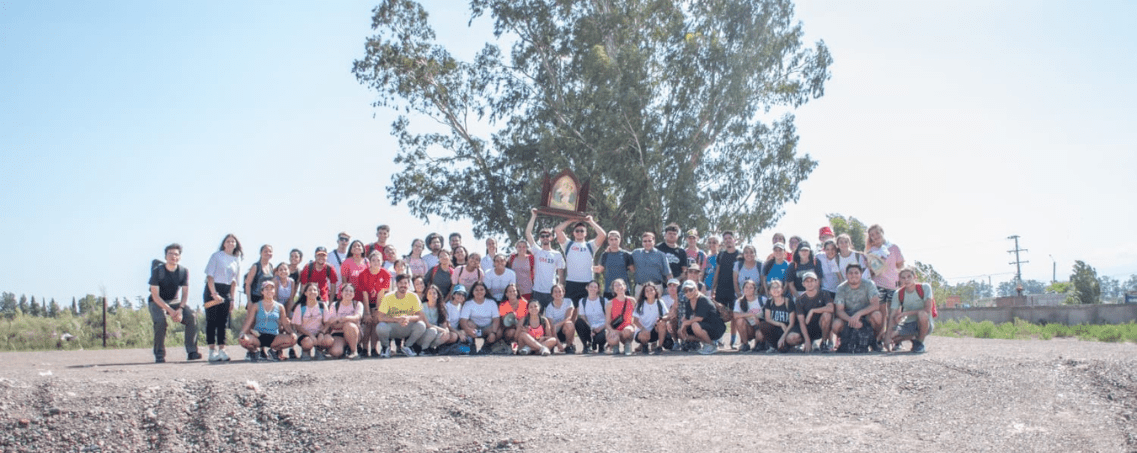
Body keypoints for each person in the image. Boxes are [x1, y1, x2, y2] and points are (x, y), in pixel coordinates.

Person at [148, 244, 200, 363]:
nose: (173, 256)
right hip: (157, 301)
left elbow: (185, 293)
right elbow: (155, 295)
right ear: (166, 256)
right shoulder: (157, 271)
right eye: (170, 254)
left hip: (175, 301)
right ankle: (159, 354)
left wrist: (180, 309)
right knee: (160, 321)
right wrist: (170, 311)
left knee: (191, 316)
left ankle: (192, 352)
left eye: (176, 254)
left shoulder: (183, 271)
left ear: (180, 257)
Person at [375, 273, 434, 357]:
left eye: (405, 283)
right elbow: (380, 317)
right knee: (380, 327)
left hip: (407, 325)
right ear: (396, 284)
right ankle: (385, 347)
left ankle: (407, 346)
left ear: (409, 285)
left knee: (421, 325)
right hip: (393, 327)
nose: (403, 285)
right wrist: (397, 319)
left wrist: (408, 318)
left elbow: (420, 316)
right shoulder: (388, 297)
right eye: (401, 283)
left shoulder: (413, 296)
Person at [203, 234, 241, 362]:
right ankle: (211, 350)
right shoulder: (216, 256)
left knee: (223, 322)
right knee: (211, 321)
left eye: (233, 241)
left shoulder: (236, 259)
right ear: (224, 243)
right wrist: (214, 294)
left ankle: (222, 349)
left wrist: (232, 299)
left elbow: (234, 281)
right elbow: (210, 276)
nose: (230, 243)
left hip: (227, 291)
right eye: (228, 241)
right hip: (213, 289)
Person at [237, 280, 296, 362]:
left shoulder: (280, 306)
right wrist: (242, 332)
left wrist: (292, 333)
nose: (269, 291)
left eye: (271, 289)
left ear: (274, 291)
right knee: (242, 339)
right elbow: (249, 321)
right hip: (258, 336)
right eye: (266, 289)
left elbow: (285, 324)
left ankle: (273, 351)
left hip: (274, 337)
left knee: (293, 339)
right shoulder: (256, 305)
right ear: (262, 292)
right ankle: (254, 352)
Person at [865, 224, 904, 346]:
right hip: (878, 284)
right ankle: (880, 339)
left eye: (877, 233)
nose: (875, 236)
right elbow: (871, 270)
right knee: (882, 314)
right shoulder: (871, 252)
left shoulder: (893, 248)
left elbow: (900, 265)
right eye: (872, 235)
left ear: (882, 232)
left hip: (893, 284)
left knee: (895, 313)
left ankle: (896, 340)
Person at [831, 262, 883, 352]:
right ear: (846, 274)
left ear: (861, 274)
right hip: (848, 317)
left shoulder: (869, 284)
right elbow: (839, 311)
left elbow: (875, 305)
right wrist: (851, 319)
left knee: (877, 315)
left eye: (856, 273)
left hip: (866, 315)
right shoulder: (841, 288)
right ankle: (845, 342)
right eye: (850, 273)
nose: (853, 275)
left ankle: (875, 341)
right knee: (836, 324)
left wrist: (859, 314)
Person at [556, 215, 605, 302]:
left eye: (582, 231)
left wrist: (591, 221)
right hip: (571, 283)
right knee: (571, 312)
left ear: (586, 233)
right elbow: (558, 230)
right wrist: (571, 220)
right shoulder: (568, 244)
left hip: (587, 283)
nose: (579, 232)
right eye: (577, 231)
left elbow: (602, 235)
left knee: (586, 312)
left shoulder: (590, 245)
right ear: (573, 233)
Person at [525, 209, 566, 309]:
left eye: (547, 235)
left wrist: (560, 290)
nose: (545, 238)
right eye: (542, 236)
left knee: (550, 318)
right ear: (540, 238)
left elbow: (561, 274)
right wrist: (533, 216)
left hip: (551, 292)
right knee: (537, 318)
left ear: (551, 238)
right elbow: (528, 233)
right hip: (537, 291)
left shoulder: (557, 254)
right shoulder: (537, 251)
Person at [889, 267, 934, 353]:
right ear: (900, 279)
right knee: (892, 337)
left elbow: (927, 309)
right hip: (908, 323)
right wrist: (887, 337)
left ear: (915, 277)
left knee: (922, 314)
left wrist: (905, 313)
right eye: (903, 277)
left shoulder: (925, 287)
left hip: (923, 322)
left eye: (909, 276)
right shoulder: (898, 293)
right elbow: (892, 314)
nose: (906, 279)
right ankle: (913, 338)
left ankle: (919, 343)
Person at [358, 250, 393, 358]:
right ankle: (364, 348)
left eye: (378, 260)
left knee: (375, 323)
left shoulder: (385, 274)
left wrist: (377, 311)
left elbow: (381, 294)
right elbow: (364, 295)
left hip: (379, 302)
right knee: (367, 323)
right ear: (369, 262)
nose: (376, 262)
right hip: (366, 301)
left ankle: (373, 348)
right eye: (373, 260)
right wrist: (367, 312)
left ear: (382, 261)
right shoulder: (363, 274)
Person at [677, 280, 725, 355]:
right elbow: (687, 318)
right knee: (680, 332)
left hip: (716, 327)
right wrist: (684, 324)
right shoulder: (688, 302)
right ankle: (706, 342)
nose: (688, 293)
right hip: (703, 326)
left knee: (695, 325)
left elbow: (700, 318)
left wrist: (686, 323)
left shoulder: (703, 300)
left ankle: (711, 346)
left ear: (696, 289)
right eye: (685, 291)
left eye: (690, 290)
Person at [794, 272, 834, 352]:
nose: (809, 284)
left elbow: (831, 308)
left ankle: (824, 342)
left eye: (812, 281)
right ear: (803, 284)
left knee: (827, 315)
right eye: (807, 281)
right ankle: (806, 342)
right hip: (808, 327)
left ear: (816, 282)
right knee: (791, 338)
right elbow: (801, 321)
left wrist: (812, 311)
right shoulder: (800, 299)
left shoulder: (824, 294)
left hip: (821, 327)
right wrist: (807, 340)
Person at [289, 282, 329, 361]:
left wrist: (322, 333)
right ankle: (305, 351)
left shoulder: (322, 305)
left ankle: (319, 351)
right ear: (305, 293)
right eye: (310, 290)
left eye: (315, 290)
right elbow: (297, 326)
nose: (312, 292)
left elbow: (328, 322)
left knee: (329, 340)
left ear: (318, 293)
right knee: (308, 342)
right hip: (305, 334)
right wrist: (310, 335)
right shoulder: (300, 307)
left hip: (318, 333)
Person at [321, 283, 363, 359]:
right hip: (338, 333)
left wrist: (339, 319)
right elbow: (332, 323)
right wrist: (348, 320)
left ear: (354, 294)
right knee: (336, 352)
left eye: (351, 291)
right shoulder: (335, 305)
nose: (348, 293)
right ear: (341, 293)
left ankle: (354, 351)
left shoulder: (357, 304)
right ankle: (345, 349)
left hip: (354, 332)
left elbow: (357, 318)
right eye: (346, 290)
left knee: (349, 325)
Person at [757, 280, 800, 353]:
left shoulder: (789, 302)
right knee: (763, 325)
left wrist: (783, 337)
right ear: (769, 291)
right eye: (773, 287)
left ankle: (789, 345)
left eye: (778, 287)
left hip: (787, 330)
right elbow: (768, 319)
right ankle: (773, 346)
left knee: (783, 349)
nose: (775, 290)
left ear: (782, 290)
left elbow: (792, 323)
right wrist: (780, 324)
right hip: (776, 329)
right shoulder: (769, 302)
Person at [459, 281, 501, 354]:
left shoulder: (491, 302)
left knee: (499, 331)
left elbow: (496, 320)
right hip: (475, 329)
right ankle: (472, 344)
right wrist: (468, 330)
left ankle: (486, 346)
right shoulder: (468, 303)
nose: (479, 292)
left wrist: (493, 333)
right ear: (472, 292)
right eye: (476, 290)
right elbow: (463, 320)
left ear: (485, 291)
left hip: (487, 329)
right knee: (468, 323)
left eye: (481, 289)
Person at [631, 231, 671, 299]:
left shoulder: (661, 255)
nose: (647, 243)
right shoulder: (635, 253)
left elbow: (668, 274)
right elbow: (624, 256)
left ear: (654, 241)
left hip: (656, 287)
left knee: (657, 308)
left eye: (649, 241)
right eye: (645, 241)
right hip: (640, 287)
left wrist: (671, 288)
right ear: (642, 242)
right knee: (639, 308)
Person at [594, 231, 634, 299]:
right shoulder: (605, 255)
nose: (614, 242)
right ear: (608, 241)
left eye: (616, 239)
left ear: (619, 240)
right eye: (611, 239)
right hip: (609, 290)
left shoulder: (626, 255)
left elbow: (633, 269)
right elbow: (599, 269)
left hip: (623, 290)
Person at [632, 282, 669, 354]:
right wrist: (643, 329)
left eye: (651, 290)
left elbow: (667, 315)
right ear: (644, 293)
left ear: (655, 291)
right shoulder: (640, 304)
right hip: (642, 331)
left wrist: (662, 318)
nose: (649, 292)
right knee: (644, 334)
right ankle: (644, 345)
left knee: (662, 324)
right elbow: (635, 320)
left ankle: (659, 347)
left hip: (654, 331)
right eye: (647, 291)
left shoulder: (660, 302)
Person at [730, 280, 765, 352]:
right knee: (739, 320)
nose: (748, 289)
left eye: (751, 287)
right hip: (748, 328)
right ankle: (745, 344)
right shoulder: (739, 301)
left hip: (760, 326)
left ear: (755, 290)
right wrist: (751, 314)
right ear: (743, 289)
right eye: (746, 287)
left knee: (760, 334)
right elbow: (735, 315)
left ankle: (761, 343)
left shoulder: (762, 300)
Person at [574, 281, 608, 353]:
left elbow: (608, 318)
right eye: (591, 287)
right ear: (587, 288)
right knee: (578, 322)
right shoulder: (582, 301)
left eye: (595, 287)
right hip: (589, 328)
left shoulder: (604, 301)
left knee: (601, 336)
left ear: (598, 289)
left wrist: (600, 328)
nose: (593, 289)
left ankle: (601, 346)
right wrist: (591, 328)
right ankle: (586, 346)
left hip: (601, 328)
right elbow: (583, 317)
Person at [605, 279, 636, 355]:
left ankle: (627, 344)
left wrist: (634, 327)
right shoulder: (610, 303)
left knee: (627, 330)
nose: (618, 287)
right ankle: (615, 345)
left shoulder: (632, 300)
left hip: (628, 329)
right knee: (612, 338)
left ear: (625, 287)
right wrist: (611, 331)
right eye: (616, 285)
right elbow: (607, 323)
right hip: (616, 330)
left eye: (620, 284)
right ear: (613, 289)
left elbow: (636, 317)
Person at [711, 231, 740, 308]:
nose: (728, 240)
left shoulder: (740, 255)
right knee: (720, 316)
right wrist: (713, 288)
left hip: (734, 292)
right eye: (725, 239)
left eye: (730, 238)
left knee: (733, 317)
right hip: (721, 291)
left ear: (734, 240)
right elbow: (717, 272)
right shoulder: (721, 254)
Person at [543, 284, 576, 353]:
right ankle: (553, 345)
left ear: (563, 293)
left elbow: (568, 317)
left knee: (569, 324)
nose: (558, 293)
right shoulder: (549, 307)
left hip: (563, 329)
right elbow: (552, 328)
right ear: (552, 294)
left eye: (560, 291)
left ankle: (569, 345)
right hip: (555, 332)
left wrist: (557, 325)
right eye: (555, 292)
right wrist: (558, 344)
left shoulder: (568, 302)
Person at [421, 284, 451, 353]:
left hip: (435, 332)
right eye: (430, 293)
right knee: (432, 331)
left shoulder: (441, 307)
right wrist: (442, 329)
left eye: (434, 293)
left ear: (438, 295)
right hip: (424, 333)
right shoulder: (422, 306)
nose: (432, 295)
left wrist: (446, 331)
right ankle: (423, 349)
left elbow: (444, 325)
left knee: (446, 335)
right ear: (426, 296)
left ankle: (431, 347)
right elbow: (428, 325)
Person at [243, 244, 275, 310]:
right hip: (255, 298)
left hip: (266, 298)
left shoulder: (271, 267)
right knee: (251, 319)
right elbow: (248, 284)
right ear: (261, 253)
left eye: (270, 251)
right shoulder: (256, 266)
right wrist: (249, 301)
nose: (268, 253)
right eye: (265, 251)